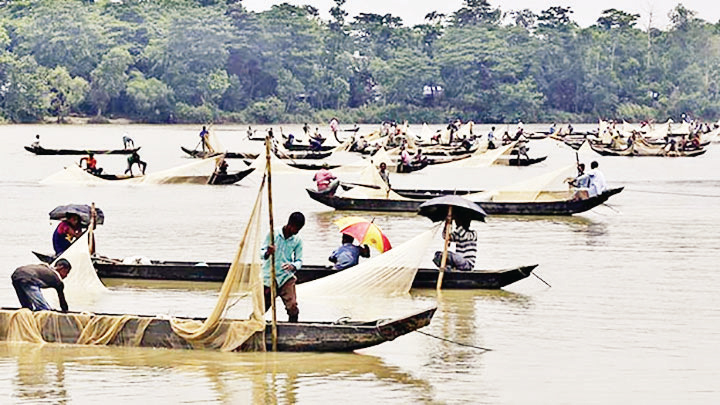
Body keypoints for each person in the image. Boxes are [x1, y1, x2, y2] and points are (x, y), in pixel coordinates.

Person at [261, 212, 305, 323]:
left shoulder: (297, 240)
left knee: (293, 306)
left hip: (286, 278)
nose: (296, 232)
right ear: (290, 225)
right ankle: (254, 326)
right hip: (270, 277)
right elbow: (260, 253)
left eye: (299, 229)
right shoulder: (273, 234)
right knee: (262, 308)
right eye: (295, 229)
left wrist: (293, 266)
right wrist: (268, 252)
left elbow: (299, 261)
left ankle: (293, 328)